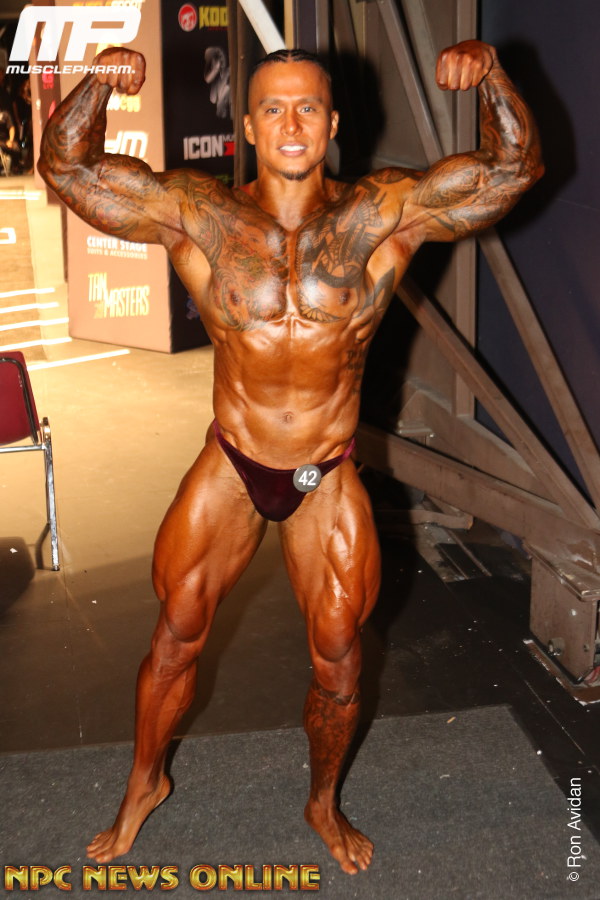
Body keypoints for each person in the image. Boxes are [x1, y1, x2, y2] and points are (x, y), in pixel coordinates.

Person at [38, 40, 542, 875]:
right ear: (248, 126)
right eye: (273, 108)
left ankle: (322, 802)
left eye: (308, 106)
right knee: (176, 633)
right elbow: (68, 169)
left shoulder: (383, 213)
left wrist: (491, 74)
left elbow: (513, 169)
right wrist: (96, 80)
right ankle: (143, 781)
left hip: (325, 470)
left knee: (340, 655)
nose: (292, 123)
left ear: (333, 122)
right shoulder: (198, 213)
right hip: (234, 461)